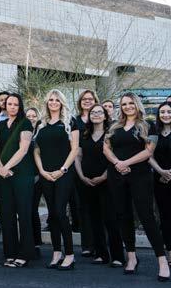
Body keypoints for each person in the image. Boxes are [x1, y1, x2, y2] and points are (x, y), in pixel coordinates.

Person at [103, 92, 170, 281]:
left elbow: (149, 152)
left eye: (131, 103)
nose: (127, 107)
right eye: (124, 104)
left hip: (140, 176)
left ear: (137, 104)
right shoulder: (114, 126)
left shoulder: (148, 125)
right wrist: (117, 163)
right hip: (117, 175)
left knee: (147, 217)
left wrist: (126, 163)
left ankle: (162, 261)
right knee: (123, 216)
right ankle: (131, 257)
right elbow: (106, 148)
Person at [32, 90, 79, 270]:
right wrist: (42, 171)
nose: (53, 102)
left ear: (62, 103)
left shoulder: (70, 122)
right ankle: (57, 252)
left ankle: (70, 254)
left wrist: (62, 170)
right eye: (50, 100)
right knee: (52, 214)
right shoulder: (40, 124)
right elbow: (36, 150)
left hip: (64, 174)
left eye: (57, 100)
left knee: (60, 212)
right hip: (46, 174)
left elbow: (74, 149)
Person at [75, 104, 123, 267]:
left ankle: (118, 256)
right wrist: (81, 176)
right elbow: (78, 156)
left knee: (110, 218)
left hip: (107, 181)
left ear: (105, 116)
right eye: (93, 112)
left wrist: (104, 176)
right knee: (94, 218)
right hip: (87, 182)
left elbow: (116, 157)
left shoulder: (111, 134)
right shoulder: (84, 134)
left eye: (99, 112)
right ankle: (101, 254)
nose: (96, 114)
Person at [0, 93, 35, 268]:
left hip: (22, 174)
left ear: (20, 106)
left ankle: (25, 254)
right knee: (6, 214)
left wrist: (7, 167)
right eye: (9, 103)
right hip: (3, 174)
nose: (12, 107)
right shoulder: (0, 125)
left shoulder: (25, 123)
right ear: (4, 105)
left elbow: (23, 149)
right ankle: (10, 253)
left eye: (15, 104)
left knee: (23, 213)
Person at [148, 102, 171, 268]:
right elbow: (149, 154)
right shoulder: (154, 132)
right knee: (165, 217)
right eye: (162, 112)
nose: (165, 115)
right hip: (159, 179)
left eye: (169, 112)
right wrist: (161, 171)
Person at [71, 89, 98, 258]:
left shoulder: (100, 118)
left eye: (90, 99)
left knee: (100, 207)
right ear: (80, 102)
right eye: (84, 99)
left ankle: (101, 244)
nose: (87, 101)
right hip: (79, 167)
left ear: (95, 101)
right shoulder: (74, 121)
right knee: (83, 207)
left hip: (99, 167)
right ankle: (87, 245)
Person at [25, 107, 44, 249]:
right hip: (23, 176)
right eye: (28, 116)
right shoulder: (21, 132)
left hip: (38, 176)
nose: (31, 118)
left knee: (32, 209)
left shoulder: (40, 133)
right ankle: (27, 240)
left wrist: (38, 174)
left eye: (34, 116)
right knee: (25, 209)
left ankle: (36, 242)